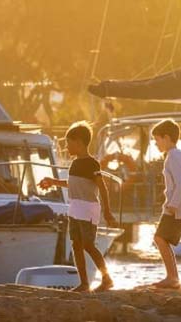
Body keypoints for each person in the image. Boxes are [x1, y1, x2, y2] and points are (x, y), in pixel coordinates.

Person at [38, 121, 116, 292]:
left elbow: (102, 187)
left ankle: (107, 278)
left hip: (88, 209)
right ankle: (84, 283)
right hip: (74, 209)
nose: (66, 146)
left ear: (79, 142)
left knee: (88, 244)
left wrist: (108, 212)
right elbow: (72, 184)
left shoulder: (92, 163)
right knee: (76, 245)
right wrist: (53, 182)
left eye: (69, 142)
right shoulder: (74, 164)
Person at [151, 119, 181, 289]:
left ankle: (172, 277)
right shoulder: (177, 155)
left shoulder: (174, 156)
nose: (156, 144)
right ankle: (173, 276)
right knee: (162, 239)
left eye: (157, 139)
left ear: (167, 137)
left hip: (175, 208)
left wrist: (174, 204)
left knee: (160, 238)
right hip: (177, 206)